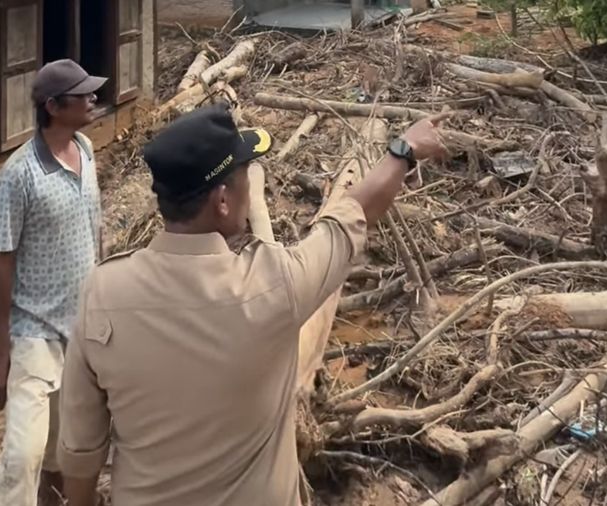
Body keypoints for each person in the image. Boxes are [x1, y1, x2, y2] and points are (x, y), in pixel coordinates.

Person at [56, 103, 449, 506]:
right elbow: (355, 213)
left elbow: (81, 449)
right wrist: (403, 150)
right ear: (223, 200)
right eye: (246, 175)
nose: (251, 185)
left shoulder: (101, 293)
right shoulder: (274, 283)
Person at [0, 59, 107, 506]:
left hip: (81, 327)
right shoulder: (17, 177)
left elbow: (95, 230)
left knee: (61, 449)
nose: (93, 99)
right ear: (53, 106)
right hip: (33, 333)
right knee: (23, 455)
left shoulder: (86, 150)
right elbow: (1, 265)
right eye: (82, 94)